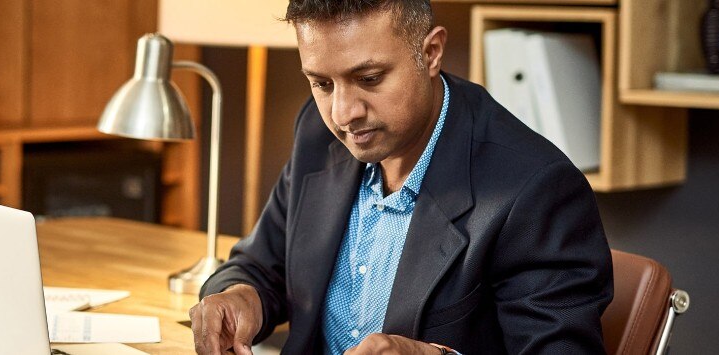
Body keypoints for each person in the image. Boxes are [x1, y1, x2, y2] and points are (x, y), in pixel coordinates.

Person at [187, 0, 614, 354]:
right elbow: (262, 265)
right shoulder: (318, 132)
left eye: (369, 78)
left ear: (431, 53)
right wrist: (240, 296)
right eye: (321, 84)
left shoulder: (535, 187)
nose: (343, 113)